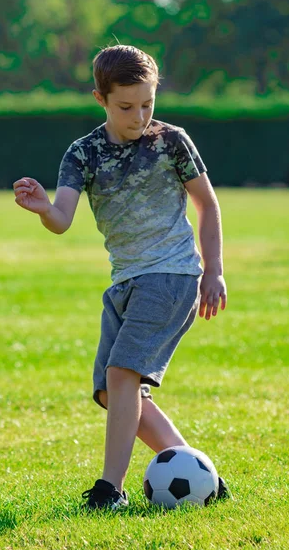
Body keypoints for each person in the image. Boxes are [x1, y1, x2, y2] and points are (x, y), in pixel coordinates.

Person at [13, 44, 231, 511]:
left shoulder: (172, 140)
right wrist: (42, 208)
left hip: (172, 276)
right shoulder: (84, 153)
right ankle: (203, 474)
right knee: (110, 392)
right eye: (125, 106)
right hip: (124, 283)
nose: (138, 116)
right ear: (101, 99)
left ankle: (109, 490)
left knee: (121, 374)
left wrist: (214, 271)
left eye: (148, 103)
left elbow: (207, 205)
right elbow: (62, 218)